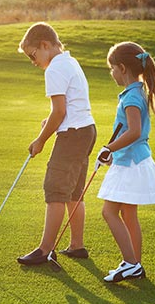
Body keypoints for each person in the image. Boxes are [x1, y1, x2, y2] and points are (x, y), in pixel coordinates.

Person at [16, 22, 97, 265]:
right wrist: (50, 121)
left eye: (33, 55)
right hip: (87, 130)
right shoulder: (70, 61)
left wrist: (40, 140)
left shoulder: (53, 70)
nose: (34, 62)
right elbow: (67, 107)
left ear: (45, 45)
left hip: (72, 135)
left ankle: (44, 250)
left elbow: (60, 111)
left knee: (55, 191)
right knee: (74, 192)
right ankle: (76, 246)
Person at [96, 41, 155, 283]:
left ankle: (130, 264)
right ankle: (134, 264)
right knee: (128, 214)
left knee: (109, 212)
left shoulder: (132, 97)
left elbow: (134, 131)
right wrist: (112, 152)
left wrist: (108, 148)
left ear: (123, 69)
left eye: (112, 68)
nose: (111, 73)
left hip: (129, 163)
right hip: (132, 160)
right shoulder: (136, 92)